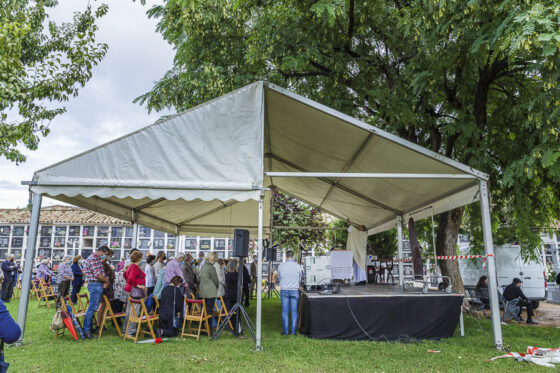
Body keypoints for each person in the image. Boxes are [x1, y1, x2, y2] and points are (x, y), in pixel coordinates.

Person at [82, 246, 110, 338]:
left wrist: (105, 279)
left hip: (97, 284)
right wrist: (106, 281)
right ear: (100, 251)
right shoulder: (93, 259)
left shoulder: (97, 259)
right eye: (104, 254)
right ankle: (86, 331)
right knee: (92, 308)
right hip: (95, 284)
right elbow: (97, 275)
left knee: (93, 307)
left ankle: (89, 328)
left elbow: (101, 272)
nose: (104, 256)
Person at [278, 250, 302, 335]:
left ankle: (285, 331)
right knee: (294, 311)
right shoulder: (298, 266)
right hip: (294, 289)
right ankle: (293, 332)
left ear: (286, 256)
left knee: (285, 312)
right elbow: (300, 279)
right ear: (293, 256)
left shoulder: (281, 266)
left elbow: (279, 278)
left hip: (284, 289)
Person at [123, 250, 146, 336]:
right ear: (140, 258)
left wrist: (130, 284)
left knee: (129, 310)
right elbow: (130, 278)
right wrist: (137, 285)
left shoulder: (131, 266)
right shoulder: (135, 267)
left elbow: (125, 275)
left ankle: (126, 329)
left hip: (130, 289)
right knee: (134, 311)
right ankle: (131, 330)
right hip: (135, 291)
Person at [198, 252, 219, 332]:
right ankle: (208, 329)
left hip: (203, 290)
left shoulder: (203, 266)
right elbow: (215, 279)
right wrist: (217, 286)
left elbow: (199, 278)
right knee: (209, 311)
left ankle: (203, 328)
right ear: (213, 259)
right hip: (210, 291)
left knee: (204, 310)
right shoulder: (211, 267)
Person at [97, 249, 115, 326]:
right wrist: (106, 282)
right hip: (104, 288)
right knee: (101, 305)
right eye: (109, 256)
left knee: (104, 305)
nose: (110, 258)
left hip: (107, 288)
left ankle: (102, 323)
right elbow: (102, 276)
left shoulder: (105, 264)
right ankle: (98, 324)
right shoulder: (101, 264)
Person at [346, 218, 367, 285]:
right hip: (356, 252)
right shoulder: (358, 233)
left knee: (360, 265)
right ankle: (358, 280)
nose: (358, 227)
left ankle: (362, 279)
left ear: (363, 229)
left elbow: (352, 230)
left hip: (361, 252)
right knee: (356, 265)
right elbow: (352, 230)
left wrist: (349, 223)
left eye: (360, 227)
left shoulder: (363, 234)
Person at [212, 255, 226, 328]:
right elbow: (221, 279)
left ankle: (215, 323)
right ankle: (216, 323)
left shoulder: (212, 266)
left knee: (215, 307)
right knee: (218, 307)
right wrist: (225, 284)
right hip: (218, 289)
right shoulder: (219, 268)